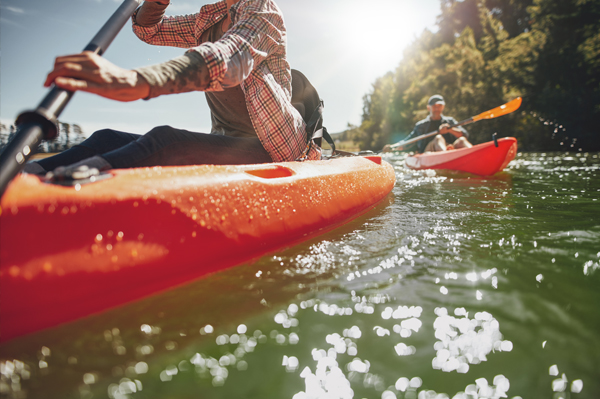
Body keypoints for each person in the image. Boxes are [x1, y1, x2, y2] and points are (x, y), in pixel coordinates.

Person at [24, 0, 320, 179]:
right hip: (225, 144)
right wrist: (157, 3)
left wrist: (133, 81)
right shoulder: (208, 20)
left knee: (166, 141)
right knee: (105, 138)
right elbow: (148, 30)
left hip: (273, 150)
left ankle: (63, 190)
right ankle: (27, 177)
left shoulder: (263, 11)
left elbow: (230, 58)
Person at [383, 95, 472, 153]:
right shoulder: (420, 125)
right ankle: (446, 154)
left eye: (439, 106)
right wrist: (393, 147)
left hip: (450, 148)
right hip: (429, 152)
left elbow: (464, 135)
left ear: (443, 107)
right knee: (438, 138)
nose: (437, 109)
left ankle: (474, 154)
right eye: (434, 106)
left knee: (462, 140)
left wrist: (450, 129)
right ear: (428, 108)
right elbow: (408, 142)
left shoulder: (450, 121)